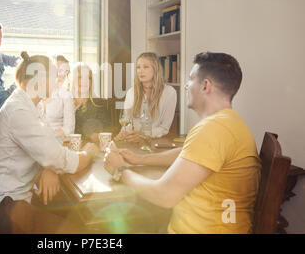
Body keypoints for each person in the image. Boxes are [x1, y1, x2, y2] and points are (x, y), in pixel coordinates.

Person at [104, 52, 261, 234]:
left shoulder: (213, 130)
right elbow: (185, 154)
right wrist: (139, 159)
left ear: (205, 86)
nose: (186, 85)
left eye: (190, 79)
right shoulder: (226, 123)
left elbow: (164, 196)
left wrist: (121, 170)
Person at [0, 51, 99, 234]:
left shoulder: (32, 105)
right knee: (79, 228)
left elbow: (49, 144)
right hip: (0, 208)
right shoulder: (19, 111)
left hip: (16, 200)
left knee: (72, 213)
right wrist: (89, 152)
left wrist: (48, 167)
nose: (58, 81)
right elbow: (58, 157)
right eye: (53, 76)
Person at [114, 52, 177, 143]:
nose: (140, 71)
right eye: (138, 67)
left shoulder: (169, 93)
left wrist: (144, 135)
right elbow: (127, 123)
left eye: (146, 67)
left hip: (155, 142)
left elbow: (164, 128)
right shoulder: (131, 92)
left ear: (155, 69)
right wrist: (123, 133)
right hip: (133, 142)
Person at [72, 63, 113, 143]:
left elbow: (109, 130)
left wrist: (98, 135)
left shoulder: (98, 104)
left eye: (88, 78)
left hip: (91, 147)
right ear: (73, 79)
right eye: (80, 77)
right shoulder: (64, 102)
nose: (84, 81)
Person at [38, 55, 75, 139]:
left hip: (56, 143)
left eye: (66, 72)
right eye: (58, 70)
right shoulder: (35, 92)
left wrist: (46, 136)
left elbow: (69, 129)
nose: (62, 75)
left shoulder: (66, 96)